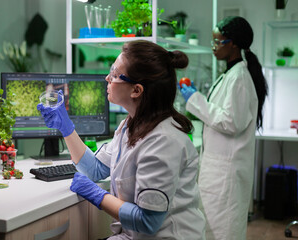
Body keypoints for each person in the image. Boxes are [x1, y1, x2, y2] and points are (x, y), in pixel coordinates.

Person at [37, 40, 206, 239]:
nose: (107, 77)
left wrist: (98, 195)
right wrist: (66, 128)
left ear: (136, 90)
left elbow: (148, 221)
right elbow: (95, 170)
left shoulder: (164, 142)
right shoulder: (130, 125)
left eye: (115, 74)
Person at [179, 16, 268, 240]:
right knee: (213, 228)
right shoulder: (231, 74)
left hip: (226, 173)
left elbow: (231, 122)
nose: (214, 47)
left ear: (234, 44)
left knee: (223, 230)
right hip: (220, 170)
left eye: (218, 42)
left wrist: (196, 100)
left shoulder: (239, 77)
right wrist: (197, 99)